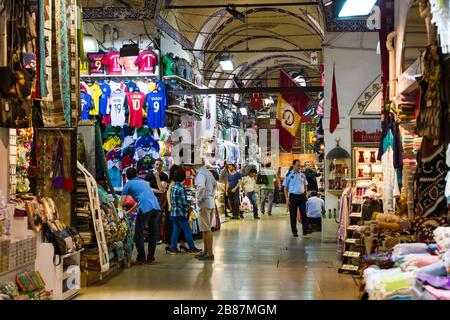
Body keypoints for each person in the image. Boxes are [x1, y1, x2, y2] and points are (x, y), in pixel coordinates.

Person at [121, 167, 161, 265]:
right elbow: (142, 197)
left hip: (145, 207)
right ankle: (150, 258)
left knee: (138, 233)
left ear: (127, 176)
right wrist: (131, 211)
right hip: (156, 206)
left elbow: (121, 202)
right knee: (153, 234)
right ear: (137, 175)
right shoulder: (143, 182)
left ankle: (141, 258)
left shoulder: (128, 184)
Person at [167, 167, 201, 255]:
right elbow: (184, 202)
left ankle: (173, 248)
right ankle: (192, 248)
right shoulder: (181, 188)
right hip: (181, 213)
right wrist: (191, 202)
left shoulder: (173, 187)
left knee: (176, 230)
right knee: (187, 231)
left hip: (174, 213)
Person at [195, 158, 218, 260]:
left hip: (204, 202)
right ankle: (206, 251)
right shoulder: (207, 172)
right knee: (205, 229)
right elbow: (215, 184)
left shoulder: (200, 173)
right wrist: (211, 194)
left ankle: (209, 253)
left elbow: (201, 187)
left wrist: (199, 198)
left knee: (207, 229)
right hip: (209, 201)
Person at [145, 158, 169, 244]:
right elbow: (148, 188)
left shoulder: (164, 176)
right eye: (157, 164)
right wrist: (159, 191)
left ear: (162, 166)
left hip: (160, 200)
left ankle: (157, 238)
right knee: (149, 219)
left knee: (157, 219)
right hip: (150, 199)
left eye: (160, 165)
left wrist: (157, 177)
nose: (158, 166)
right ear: (154, 165)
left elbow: (162, 188)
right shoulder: (148, 175)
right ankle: (150, 237)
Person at [283, 160, 309, 237]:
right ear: (293, 165)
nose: (299, 167)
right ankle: (294, 231)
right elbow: (285, 187)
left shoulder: (302, 175)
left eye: (300, 165)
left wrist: (306, 194)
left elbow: (305, 185)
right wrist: (287, 198)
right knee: (293, 215)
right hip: (293, 196)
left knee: (303, 213)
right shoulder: (289, 175)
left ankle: (305, 230)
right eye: (297, 165)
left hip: (302, 196)